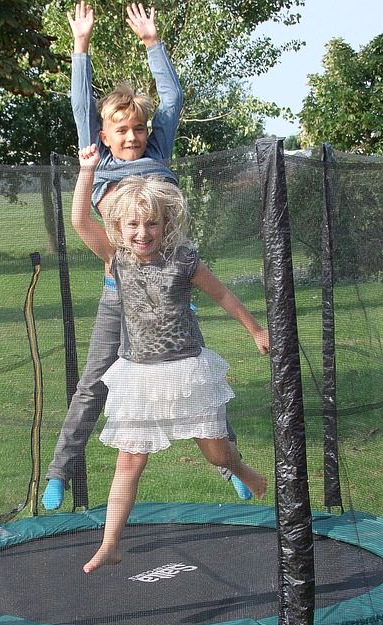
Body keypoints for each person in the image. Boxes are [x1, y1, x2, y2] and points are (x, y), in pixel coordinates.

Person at [42, 2, 249, 510]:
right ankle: (60, 472)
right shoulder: (98, 158)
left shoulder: (159, 153)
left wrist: (153, 44)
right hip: (120, 292)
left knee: (194, 377)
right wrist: (81, 48)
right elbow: (79, 104)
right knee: (93, 383)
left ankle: (229, 465)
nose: (131, 136)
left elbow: (173, 97)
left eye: (137, 127)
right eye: (121, 130)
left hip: (169, 291)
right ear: (105, 135)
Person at [72, 144, 269, 572]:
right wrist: (88, 171)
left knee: (215, 453)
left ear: (166, 224)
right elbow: (79, 222)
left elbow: (223, 295)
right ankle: (110, 543)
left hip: (185, 370)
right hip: (139, 374)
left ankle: (240, 468)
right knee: (129, 460)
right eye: (133, 225)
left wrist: (255, 330)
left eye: (151, 224)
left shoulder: (184, 260)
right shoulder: (117, 260)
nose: (142, 233)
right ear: (120, 228)